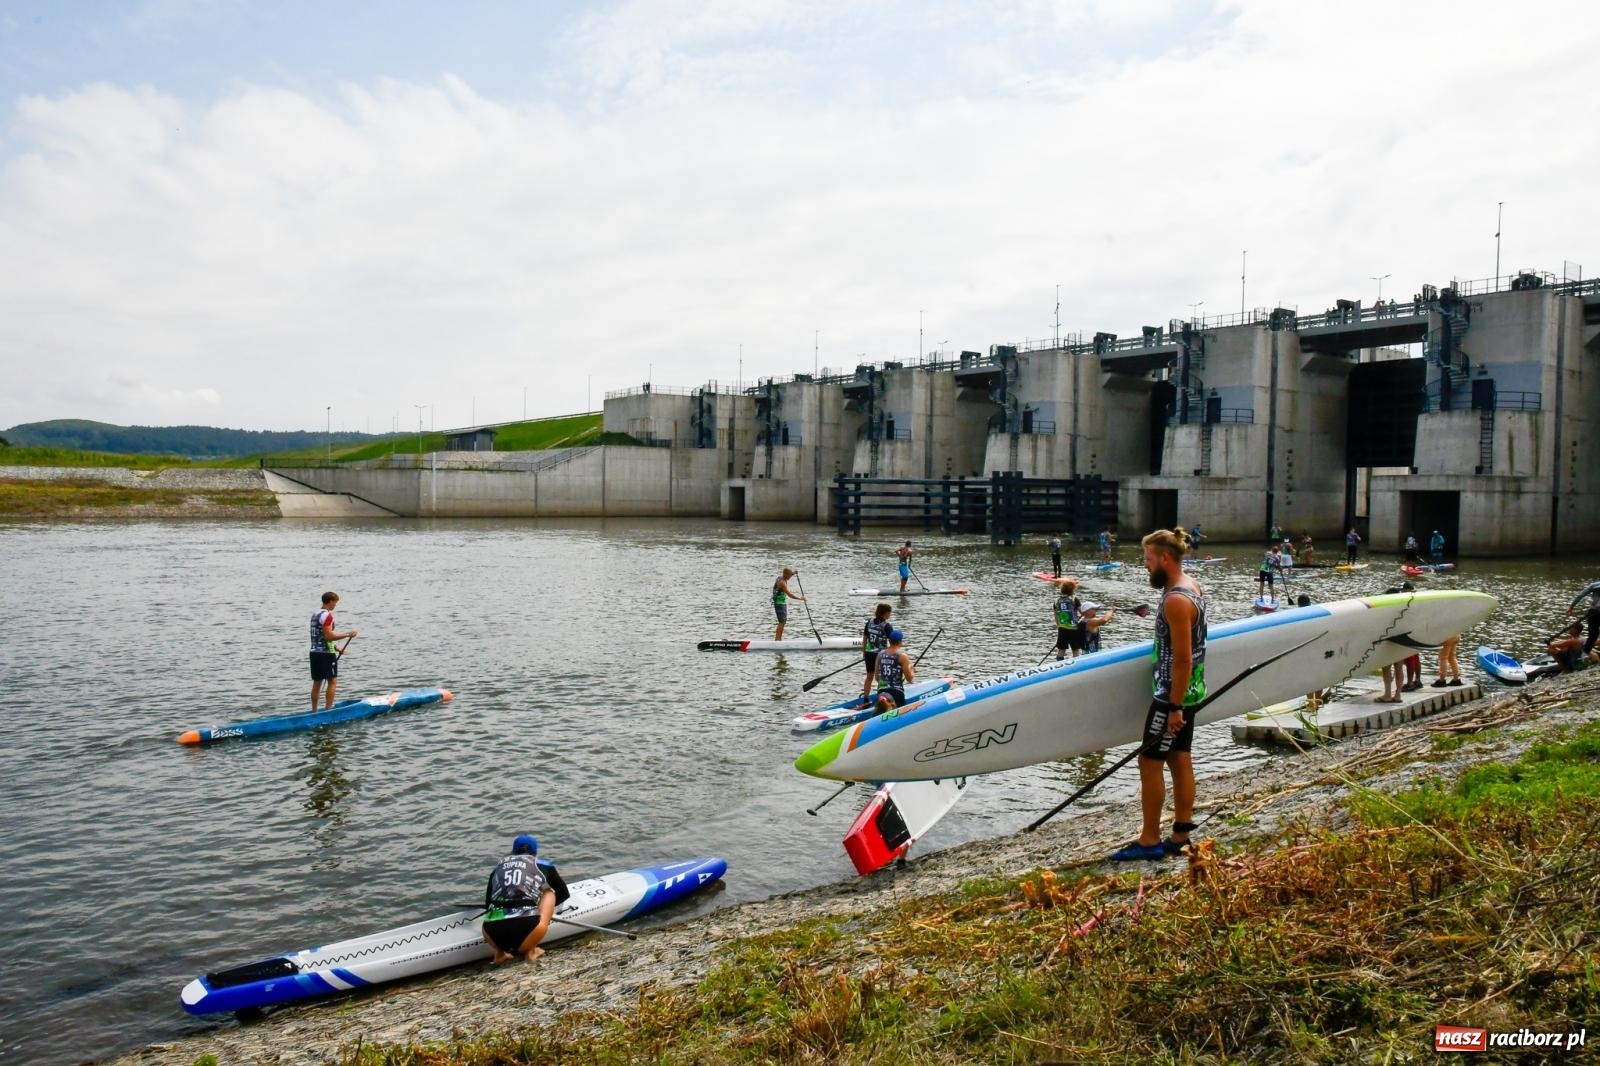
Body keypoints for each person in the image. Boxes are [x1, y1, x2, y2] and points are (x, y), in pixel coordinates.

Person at [1112, 528, 1206, 862]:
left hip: (1172, 697)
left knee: (1149, 762)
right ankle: (1180, 835)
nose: (1146, 566)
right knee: (1180, 759)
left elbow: (1182, 657)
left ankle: (1149, 839)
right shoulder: (1191, 586)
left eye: (1148, 560)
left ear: (1165, 558)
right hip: (1191, 692)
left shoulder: (1177, 600)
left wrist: (1173, 707)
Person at [482, 835, 570, 964]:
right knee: (549, 892)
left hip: (491, 933)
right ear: (535, 853)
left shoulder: (497, 868)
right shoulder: (543, 864)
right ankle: (531, 952)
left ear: (513, 852)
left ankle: (499, 954)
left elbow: (488, 903)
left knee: (496, 906)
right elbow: (563, 893)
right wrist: (542, 908)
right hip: (528, 929)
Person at [309, 591, 357, 712]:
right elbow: (328, 636)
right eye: (335, 603)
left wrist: (335, 648)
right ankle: (328, 711)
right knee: (332, 681)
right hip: (325, 654)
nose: (335, 605)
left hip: (314, 653)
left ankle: (314, 711)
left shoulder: (315, 614)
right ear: (330, 601)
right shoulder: (328, 616)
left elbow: (320, 636)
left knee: (317, 682)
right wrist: (347, 634)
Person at [863, 628, 914, 709]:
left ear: (889, 641)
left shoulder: (880, 654)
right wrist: (911, 669)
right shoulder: (903, 656)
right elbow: (909, 678)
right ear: (900, 642)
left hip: (881, 692)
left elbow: (877, 678)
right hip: (897, 693)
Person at [861, 603, 893, 693]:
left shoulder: (869, 622)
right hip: (880, 654)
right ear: (885, 613)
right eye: (890, 613)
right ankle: (881, 696)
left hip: (869, 653)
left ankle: (866, 698)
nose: (890, 615)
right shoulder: (887, 626)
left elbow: (865, 637)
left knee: (869, 676)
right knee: (881, 676)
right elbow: (892, 643)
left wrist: (864, 651)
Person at [1565, 579, 1600, 657]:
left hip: (1593, 612)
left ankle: (1584, 655)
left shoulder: (1594, 585)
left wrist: (1571, 607)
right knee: (1594, 635)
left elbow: (1580, 596)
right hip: (1595, 612)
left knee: (1593, 635)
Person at [1052, 578, 1083, 661]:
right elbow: (1082, 612)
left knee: (1061, 650)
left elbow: (1056, 616)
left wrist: (1059, 626)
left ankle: (1059, 663)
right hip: (1073, 629)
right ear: (1072, 590)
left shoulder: (1056, 601)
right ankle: (1077, 665)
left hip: (1062, 628)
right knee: (1075, 650)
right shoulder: (1074, 599)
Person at [772, 567, 803, 641]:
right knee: (782, 622)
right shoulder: (782, 583)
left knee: (783, 621)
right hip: (779, 604)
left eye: (791, 575)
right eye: (789, 575)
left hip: (782, 603)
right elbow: (789, 594)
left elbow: (790, 573)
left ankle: (778, 639)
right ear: (785, 574)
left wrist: (794, 573)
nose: (790, 577)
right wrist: (800, 598)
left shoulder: (784, 577)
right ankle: (777, 640)